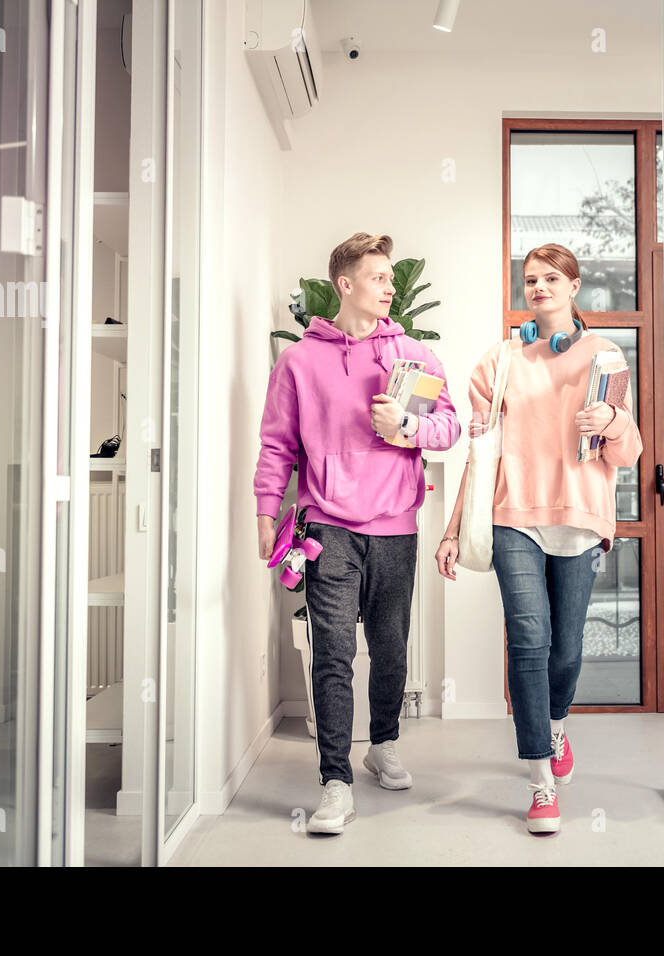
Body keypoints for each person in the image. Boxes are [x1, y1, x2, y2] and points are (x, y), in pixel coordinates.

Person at [254, 232, 461, 835]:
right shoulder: (299, 361)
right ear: (345, 285)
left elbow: (448, 428)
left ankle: (384, 744)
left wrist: (407, 427)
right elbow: (276, 445)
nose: (390, 287)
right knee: (334, 652)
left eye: (392, 278)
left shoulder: (414, 358)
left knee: (392, 648)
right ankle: (336, 782)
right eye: (378, 277)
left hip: (396, 525)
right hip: (327, 526)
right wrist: (268, 511)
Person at [436, 243, 642, 835]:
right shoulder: (498, 363)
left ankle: (555, 723)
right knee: (528, 636)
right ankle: (540, 779)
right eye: (531, 280)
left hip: (579, 517)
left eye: (552, 278)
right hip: (513, 516)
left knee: (567, 647)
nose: (540, 287)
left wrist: (613, 423)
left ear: (574, 286)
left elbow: (629, 454)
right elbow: (479, 457)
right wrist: (452, 531)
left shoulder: (605, 355)